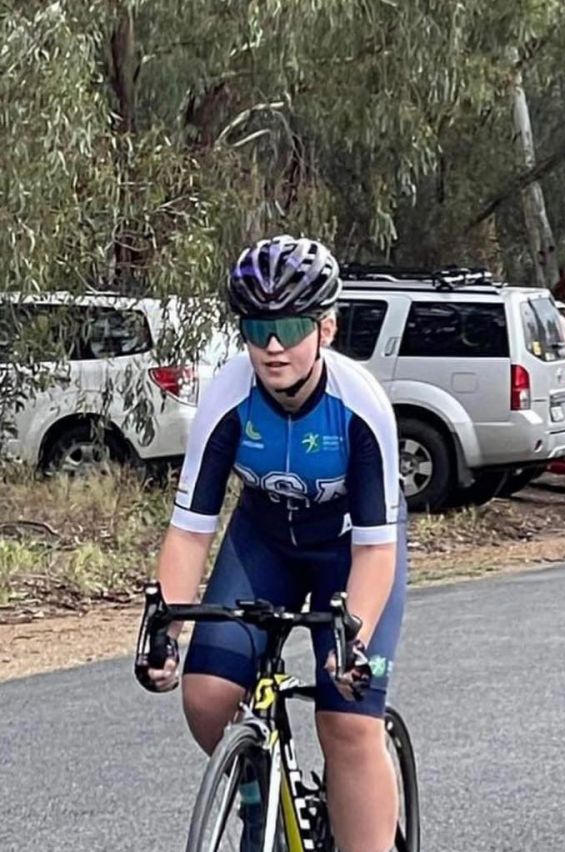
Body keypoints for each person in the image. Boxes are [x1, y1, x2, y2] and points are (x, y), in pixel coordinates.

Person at [139, 236, 406, 852]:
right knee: (205, 695)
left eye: (289, 326)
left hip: (351, 549)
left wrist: (354, 641)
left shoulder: (361, 406)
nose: (273, 345)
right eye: (258, 328)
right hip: (264, 542)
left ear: (327, 329)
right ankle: (260, 790)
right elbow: (189, 530)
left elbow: (376, 550)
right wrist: (165, 632)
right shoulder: (229, 396)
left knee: (345, 717)